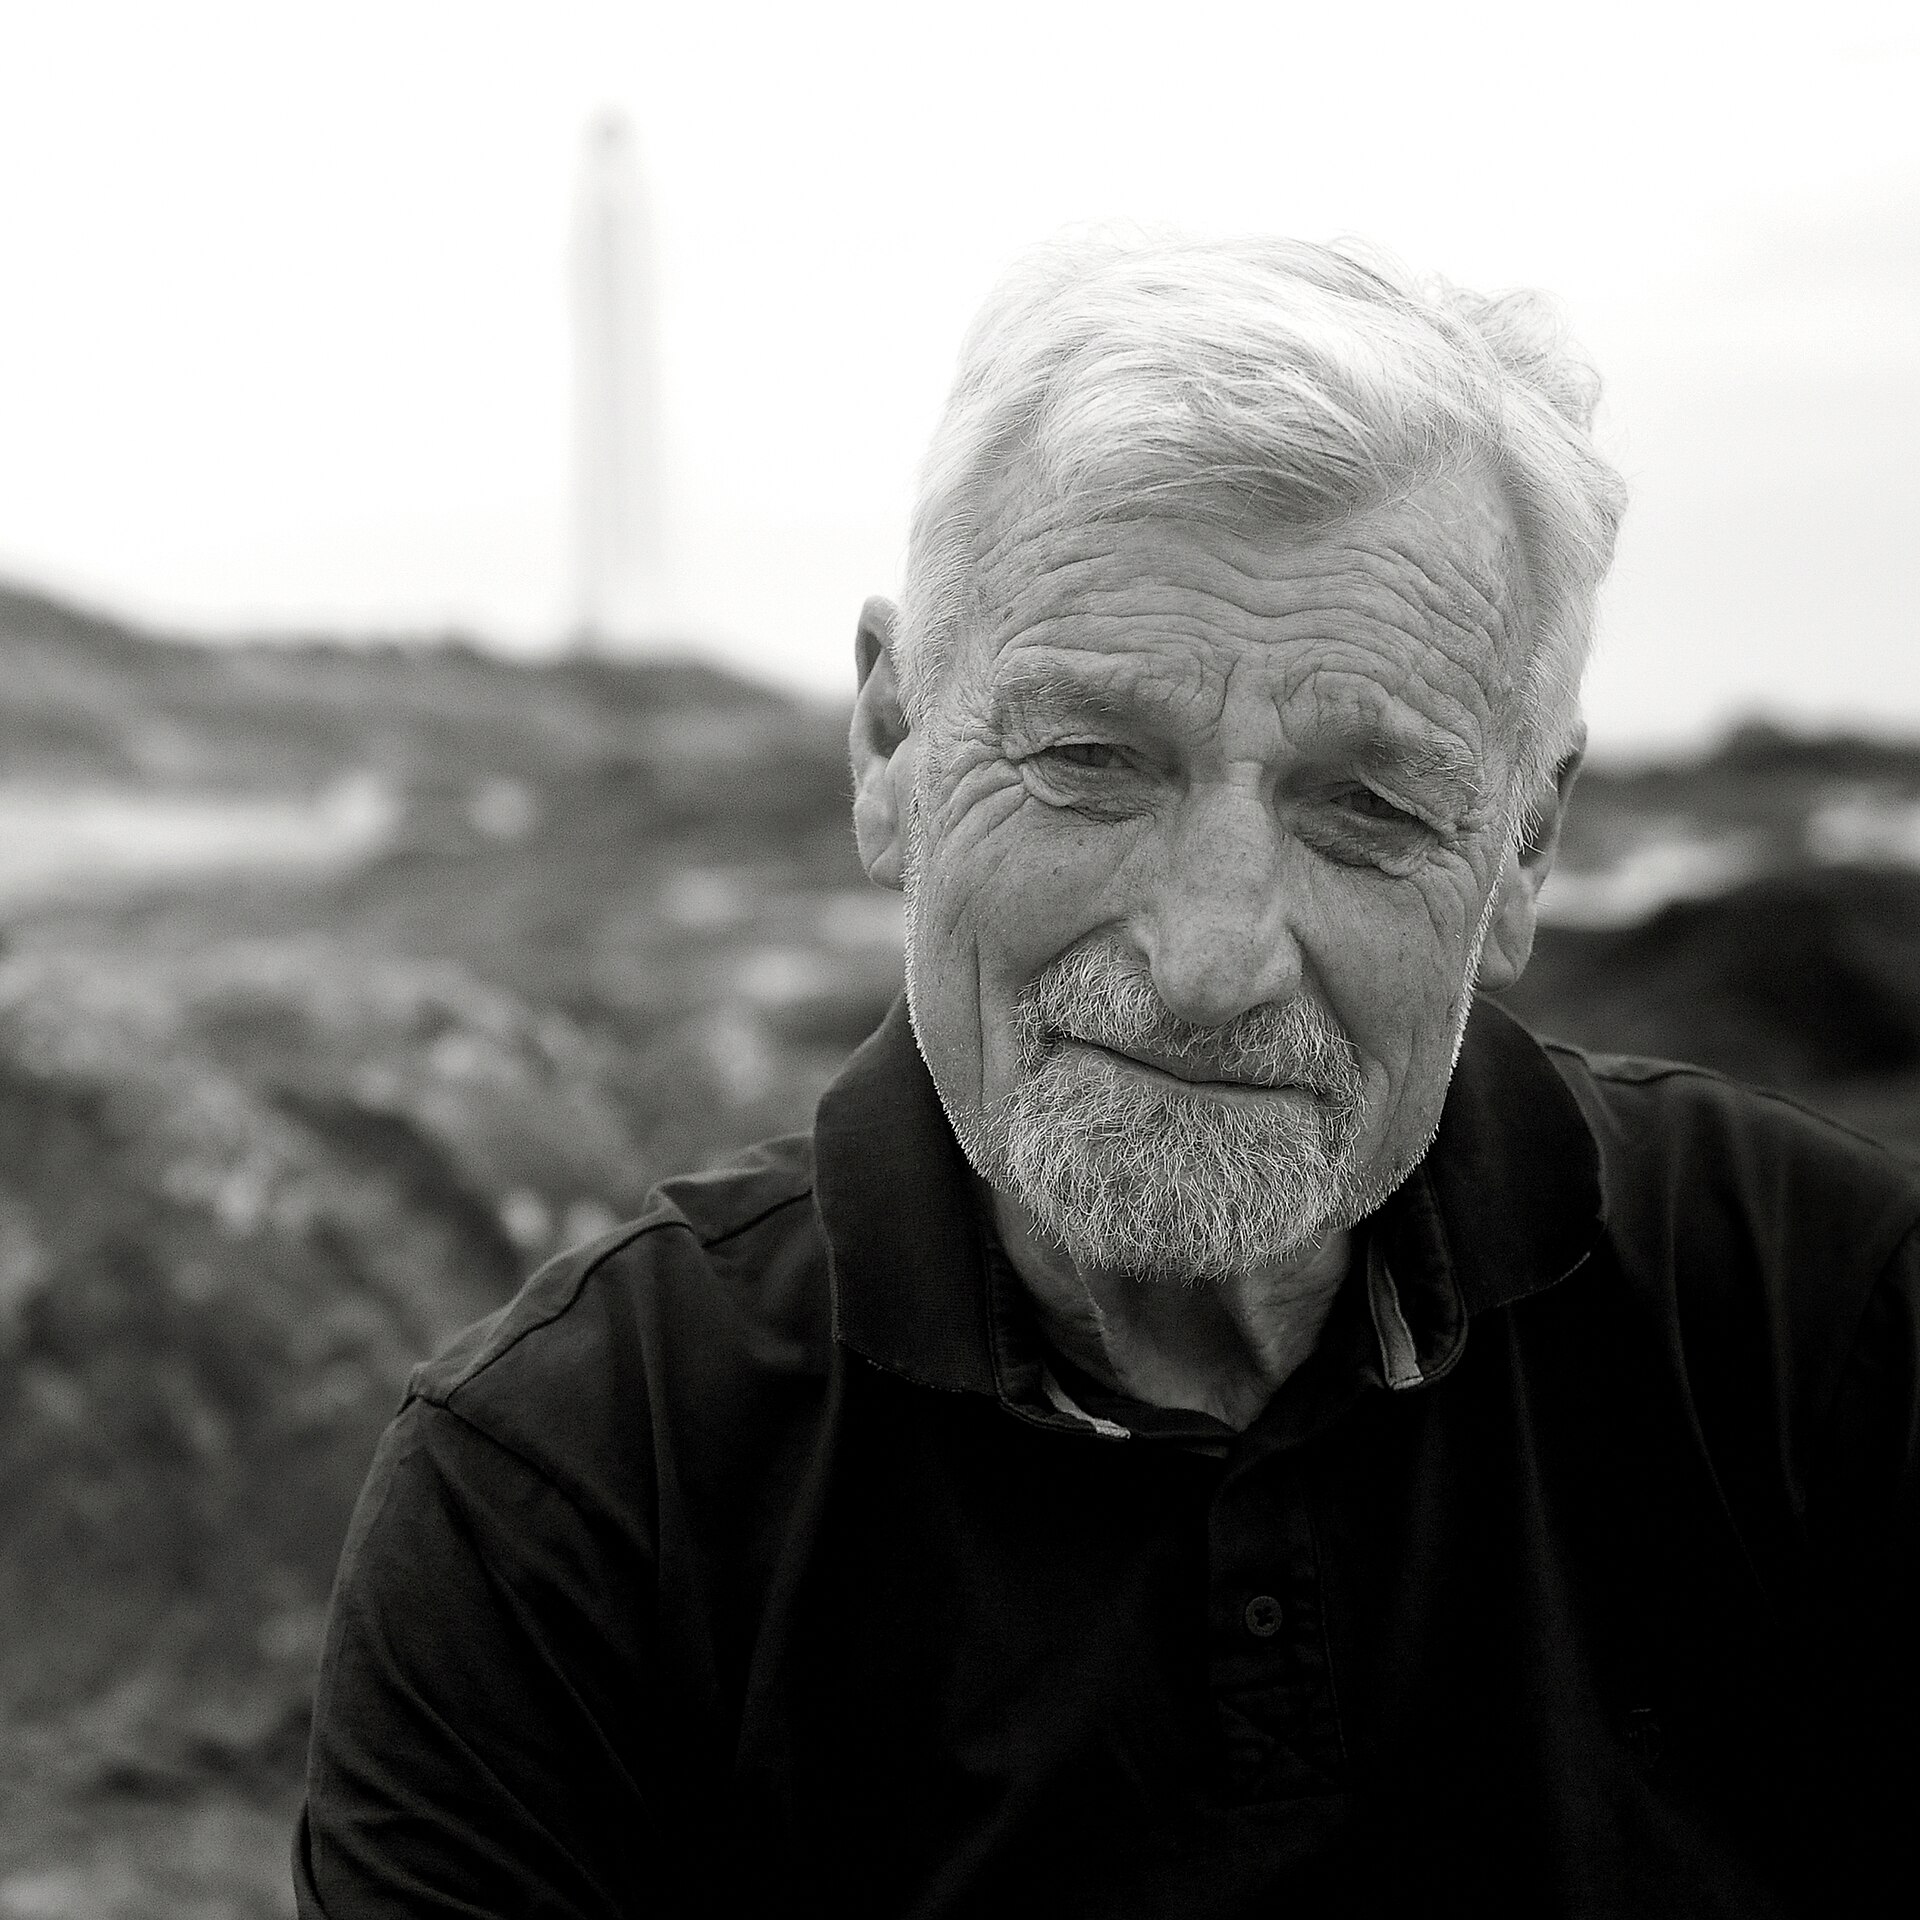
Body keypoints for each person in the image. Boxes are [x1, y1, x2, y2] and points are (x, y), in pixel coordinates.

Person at [294, 235, 1920, 1918]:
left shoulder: (1835, 1325)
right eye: (1090, 762)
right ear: (892, 748)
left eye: (1369, 806)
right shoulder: (559, 1498)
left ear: (1521, 853)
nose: (1213, 961)